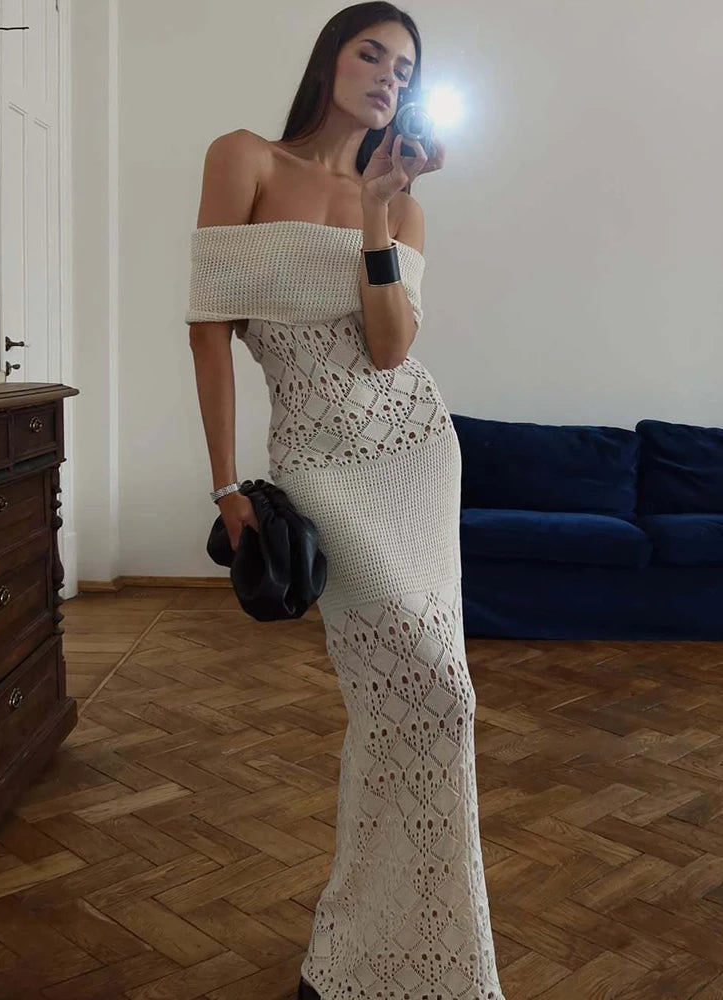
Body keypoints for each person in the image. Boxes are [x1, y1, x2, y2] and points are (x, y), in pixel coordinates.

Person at [186, 4, 507, 999]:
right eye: (372, 51)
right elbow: (206, 328)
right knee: (425, 691)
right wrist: (227, 482)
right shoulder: (244, 157)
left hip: (412, 448)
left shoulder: (401, 202)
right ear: (331, 58)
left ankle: (382, 960)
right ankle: (367, 949)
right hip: (320, 462)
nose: (387, 75)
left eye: (406, 68)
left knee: (421, 703)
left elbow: (390, 348)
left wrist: (376, 207)